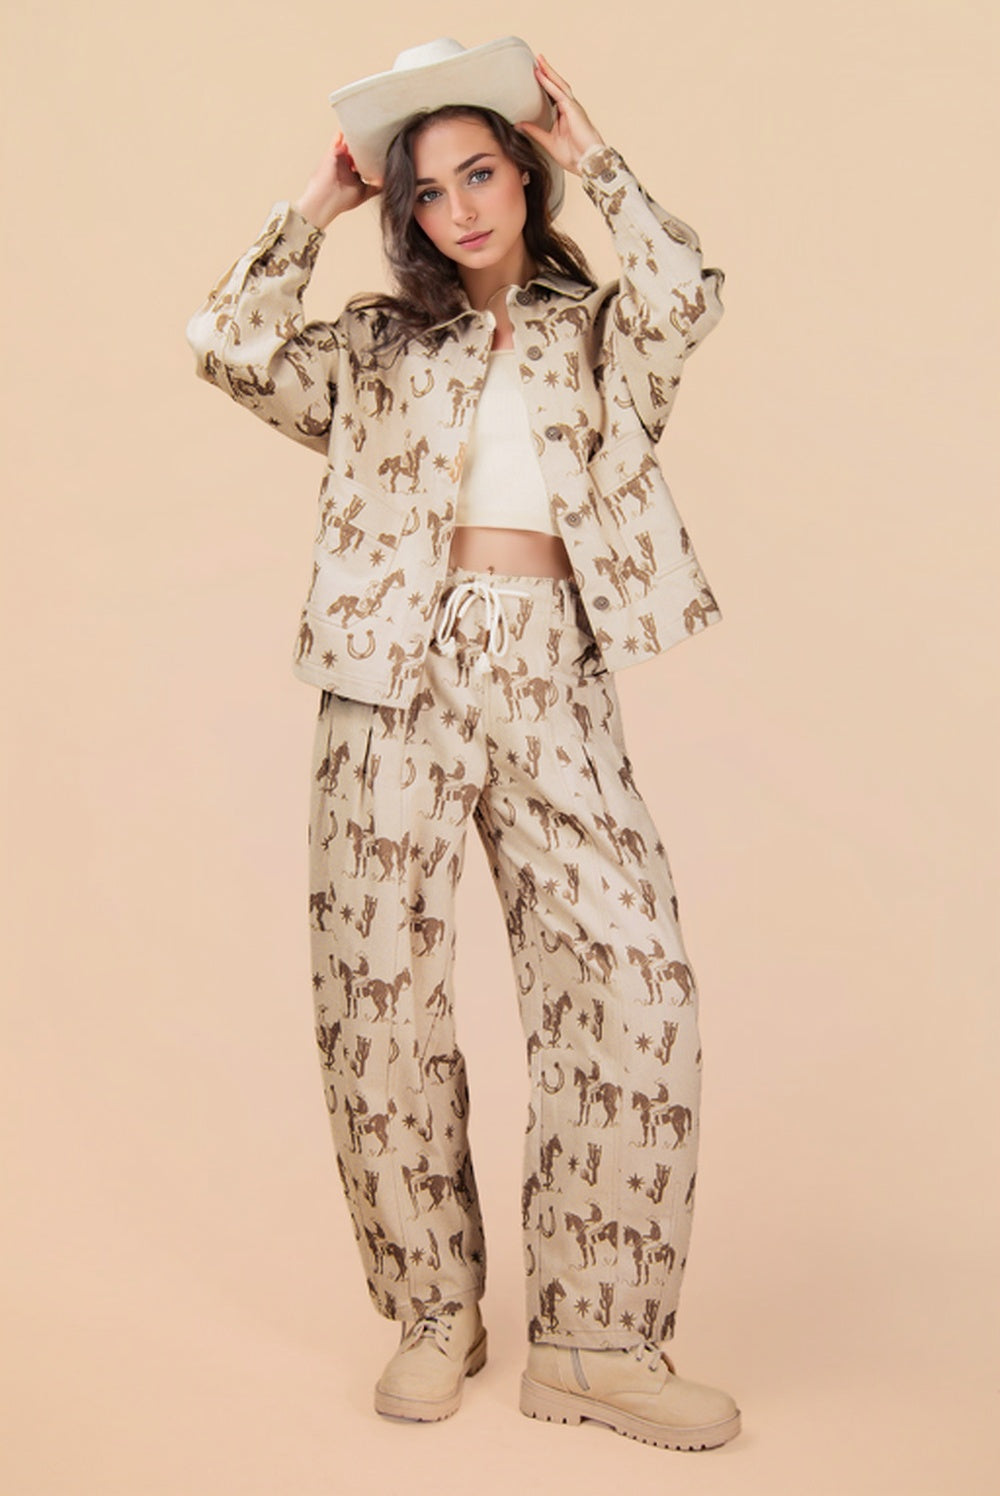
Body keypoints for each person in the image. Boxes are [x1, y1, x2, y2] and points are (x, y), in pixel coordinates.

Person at [186, 36, 739, 1451]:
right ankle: (435, 1312)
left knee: (634, 984)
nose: (459, 210)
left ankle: (597, 1342)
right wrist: (318, 203)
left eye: (482, 172)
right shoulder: (377, 347)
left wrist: (591, 146)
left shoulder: (599, 332)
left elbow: (690, 291)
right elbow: (227, 347)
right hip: (388, 674)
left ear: (525, 174)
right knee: (380, 997)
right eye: (426, 191)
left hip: (552, 664)